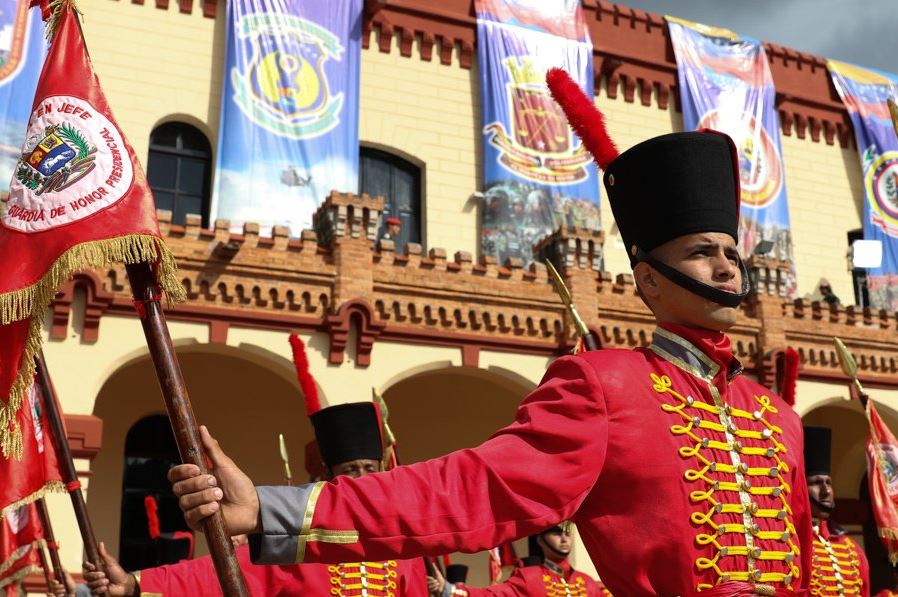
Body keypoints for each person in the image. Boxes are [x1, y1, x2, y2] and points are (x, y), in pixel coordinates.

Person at [168, 68, 814, 597]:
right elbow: (471, 488)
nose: (726, 266)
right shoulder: (606, 385)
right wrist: (271, 510)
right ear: (648, 280)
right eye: (703, 252)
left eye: (732, 252)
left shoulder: (777, 416)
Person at [83, 337, 429, 596]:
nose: (362, 479)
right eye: (351, 469)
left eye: (370, 468)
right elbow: (212, 574)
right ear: (329, 476)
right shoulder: (302, 542)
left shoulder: (407, 549)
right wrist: (133, 585)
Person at [440, 525, 610, 597]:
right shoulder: (529, 577)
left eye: (567, 534)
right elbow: (492, 595)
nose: (564, 539)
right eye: (557, 534)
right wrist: (449, 589)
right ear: (540, 540)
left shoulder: (587, 582)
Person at [804, 426, 870, 597]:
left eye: (828, 482)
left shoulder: (852, 549)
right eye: (816, 483)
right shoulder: (794, 545)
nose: (826, 490)